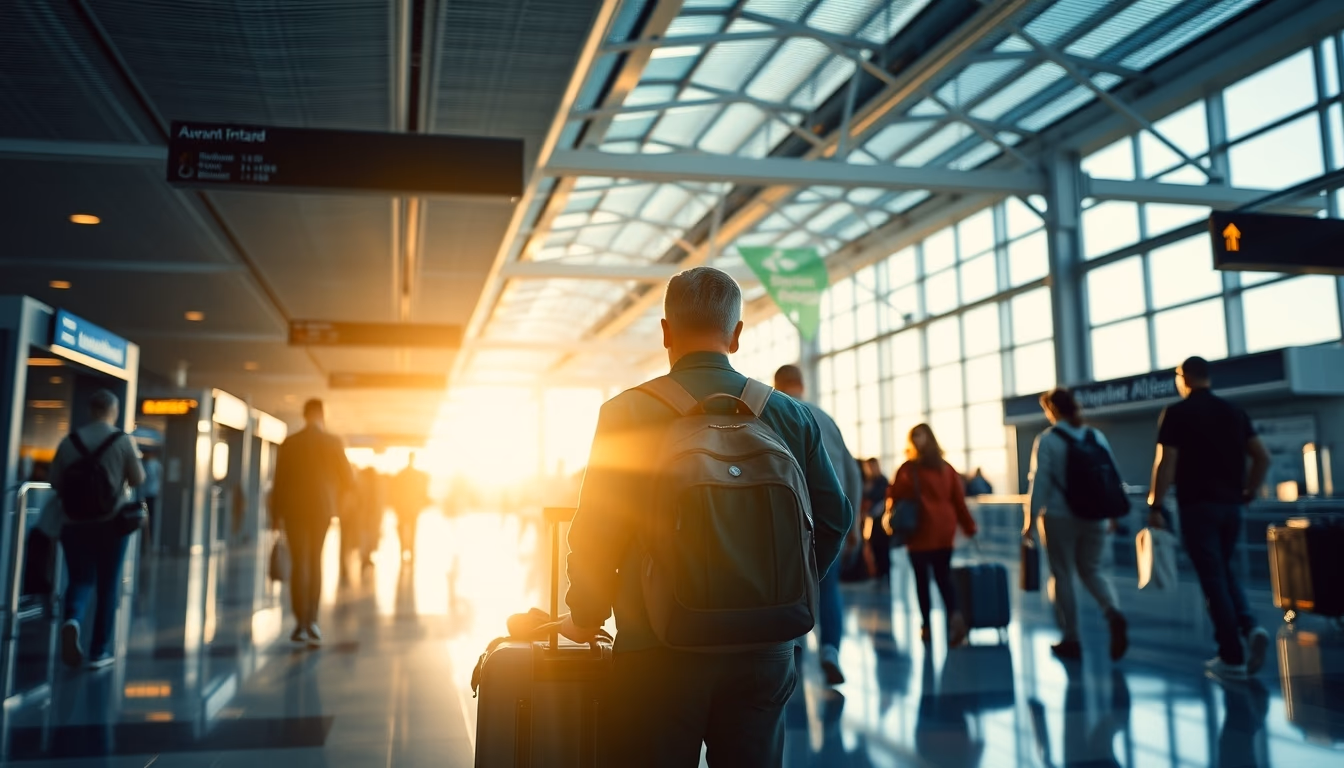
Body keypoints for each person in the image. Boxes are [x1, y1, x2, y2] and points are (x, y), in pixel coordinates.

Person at [559, 266, 852, 767]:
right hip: (764, 651)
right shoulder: (790, 415)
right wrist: (782, 587)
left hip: (655, 650)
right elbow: (835, 518)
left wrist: (587, 614)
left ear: (667, 332)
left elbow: (597, 532)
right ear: (736, 336)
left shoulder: (626, 414)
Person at [1148, 356, 1271, 681]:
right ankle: (1249, 626)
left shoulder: (1176, 413)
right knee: (1224, 571)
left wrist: (1155, 506)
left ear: (1183, 377)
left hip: (1197, 507)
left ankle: (1231, 656)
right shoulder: (1234, 412)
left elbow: (1166, 462)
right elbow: (1262, 456)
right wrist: (1249, 491)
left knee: (1212, 579)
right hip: (1232, 506)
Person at [773, 363, 864, 686]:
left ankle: (794, 651)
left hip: (790, 523)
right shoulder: (825, 419)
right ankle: (830, 652)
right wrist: (852, 527)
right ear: (802, 385)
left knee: (791, 589)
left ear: (777, 385)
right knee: (829, 587)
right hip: (830, 523)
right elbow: (853, 473)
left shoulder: (773, 415)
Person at [1025, 388, 1128, 661]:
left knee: (1063, 575)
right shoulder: (1095, 436)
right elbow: (1112, 476)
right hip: (1097, 516)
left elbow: (1040, 483)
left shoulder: (1048, 439)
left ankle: (1071, 638)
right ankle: (1112, 611)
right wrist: (1113, 513)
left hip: (1060, 516)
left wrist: (1030, 522)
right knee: (1092, 569)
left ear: (1052, 410)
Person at [49, 389, 145, 669]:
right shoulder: (122, 441)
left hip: (73, 523)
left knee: (79, 579)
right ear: (113, 411)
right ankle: (99, 651)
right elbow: (138, 479)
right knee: (107, 585)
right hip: (111, 524)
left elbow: (56, 482)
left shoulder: (70, 441)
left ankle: (72, 619)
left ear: (90, 410)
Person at [270, 398, 354, 646]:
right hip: (322, 510)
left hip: (294, 511)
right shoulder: (333, 442)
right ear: (321, 415)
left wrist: (276, 516)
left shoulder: (290, 443)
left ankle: (300, 623)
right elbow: (348, 479)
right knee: (315, 560)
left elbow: (279, 481)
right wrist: (333, 495)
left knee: (299, 563)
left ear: (305, 414)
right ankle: (312, 620)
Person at [886, 424, 977, 646]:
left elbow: (893, 497)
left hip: (920, 531)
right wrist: (969, 526)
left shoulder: (908, 469)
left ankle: (926, 625)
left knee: (922, 580)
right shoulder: (947, 469)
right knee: (944, 577)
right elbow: (958, 501)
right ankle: (954, 618)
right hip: (944, 530)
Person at [391, 453, 430, 561]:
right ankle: (409, 551)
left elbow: (395, 491)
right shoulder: (416, 475)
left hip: (406, 508)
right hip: (409, 508)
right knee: (411, 531)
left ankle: (405, 550)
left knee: (406, 530)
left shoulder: (402, 474)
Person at [862, 458, 892, 580]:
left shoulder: (882, 482)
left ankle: (884, 573)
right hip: (870, 521)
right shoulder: (868, 482)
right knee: (874, 548)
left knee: (882, 548)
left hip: (881, 521)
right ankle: (878, 573)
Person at [139, 448, 162, 550]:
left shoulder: (155, 465)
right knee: (143, 516)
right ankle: (144, 539)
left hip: (150, 495)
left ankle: (149, 539)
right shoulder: (142, 464)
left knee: (150, 517)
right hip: (143, 495)